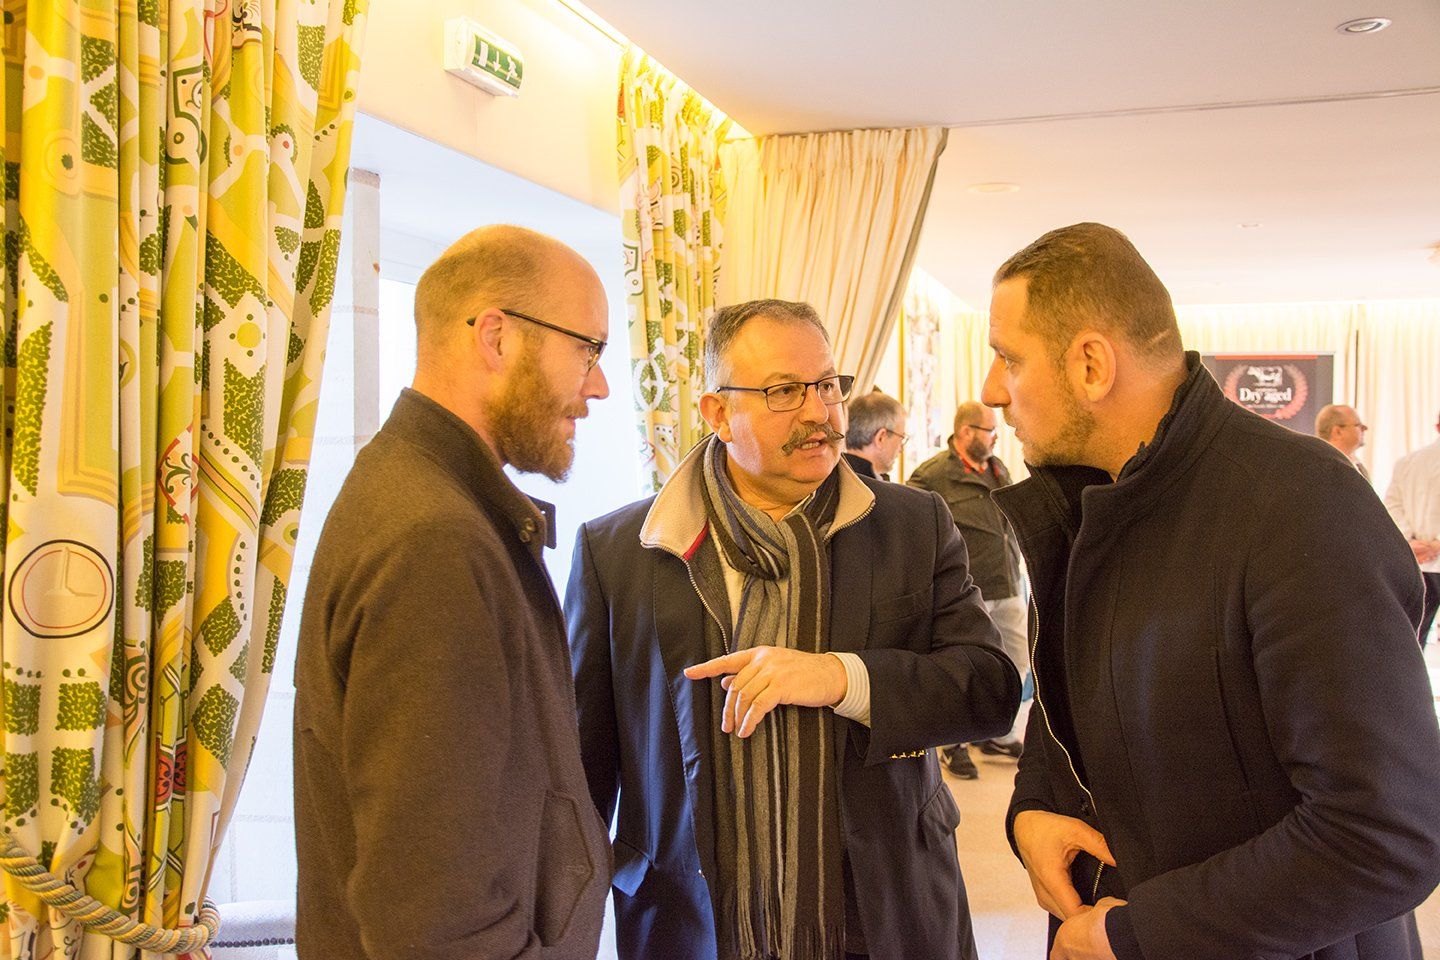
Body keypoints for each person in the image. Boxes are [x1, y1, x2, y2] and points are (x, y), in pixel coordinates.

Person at [982, 222, 1440, 960]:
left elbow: (1384, 832)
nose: (992, 391)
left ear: (1092, 365)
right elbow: (1072, 705)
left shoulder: (1301, 506)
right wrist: (1032, 809)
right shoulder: (1086, 506)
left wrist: (1139, 934)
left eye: (1008, 358)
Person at [566, 298, 1020, 960]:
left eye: (828, 385)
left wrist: (843, 677)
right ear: (717, 412)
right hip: (692, 923)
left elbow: (988, 688)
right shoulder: (621, 552)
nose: (820, 413)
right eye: (784, 391)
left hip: (883, 913)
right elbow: (585, 772)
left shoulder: (912, 524)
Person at [293, 226, 613, 960]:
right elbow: (432, 917)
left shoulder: (424, 496)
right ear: (496, 337)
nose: (597, 385)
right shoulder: (435, 539)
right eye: (587, 350)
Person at [908, 401, 1029, 778]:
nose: (995, 436)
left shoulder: (998, 469)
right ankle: (952, 743)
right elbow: (913, 534)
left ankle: (995, 732)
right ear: (965, 432)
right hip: (966, 590)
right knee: (961, 668)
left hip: (1007, 583)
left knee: (1016, 659)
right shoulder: (932, 476)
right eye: (989, 430)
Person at [1385, 410, 1440, 646]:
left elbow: (1392, 505)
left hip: (1417, 560)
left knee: (1414, 637)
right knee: (1415, 633)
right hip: (1420, 560)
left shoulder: (1407, 462)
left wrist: (1411, 541)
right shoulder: (1407, 462)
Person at [841, 388, 907, 480]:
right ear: (881, 438)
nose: (901, 449)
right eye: (902, 438)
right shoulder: (875, 491)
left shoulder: (832, 477)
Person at [1315, 403, 1371, 479]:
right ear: (1338, 432)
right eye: (1358, 424)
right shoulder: (1323, 469)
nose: (1365, 428)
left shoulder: (1357, 466)